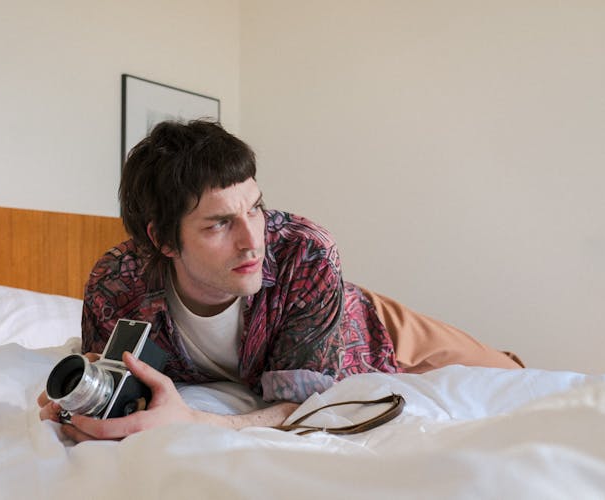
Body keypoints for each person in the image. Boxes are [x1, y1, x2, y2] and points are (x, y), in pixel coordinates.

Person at [38, 120, 523, 441]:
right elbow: (108, 375)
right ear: (163, 241)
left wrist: (199, 421)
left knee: (509, 377)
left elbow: (307, 404)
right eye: (219, 224)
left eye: (255, 207)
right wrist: (71, 408)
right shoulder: (116, 282)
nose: (254, 241)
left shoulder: (301, 250)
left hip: (371, 326)